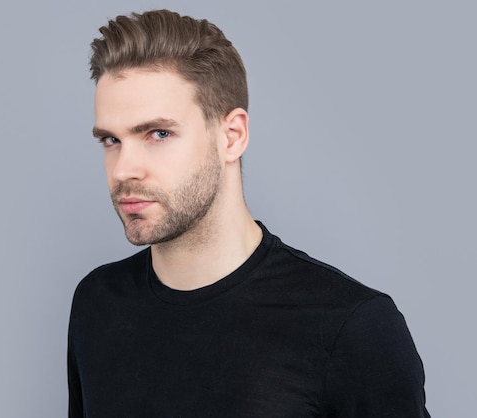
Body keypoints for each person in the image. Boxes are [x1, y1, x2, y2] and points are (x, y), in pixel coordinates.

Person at [68, 9, 430, 417]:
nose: (123, 169)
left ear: (232, 136)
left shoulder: (351, 328)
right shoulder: (97, 303)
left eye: (159, 134)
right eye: (111, 140)